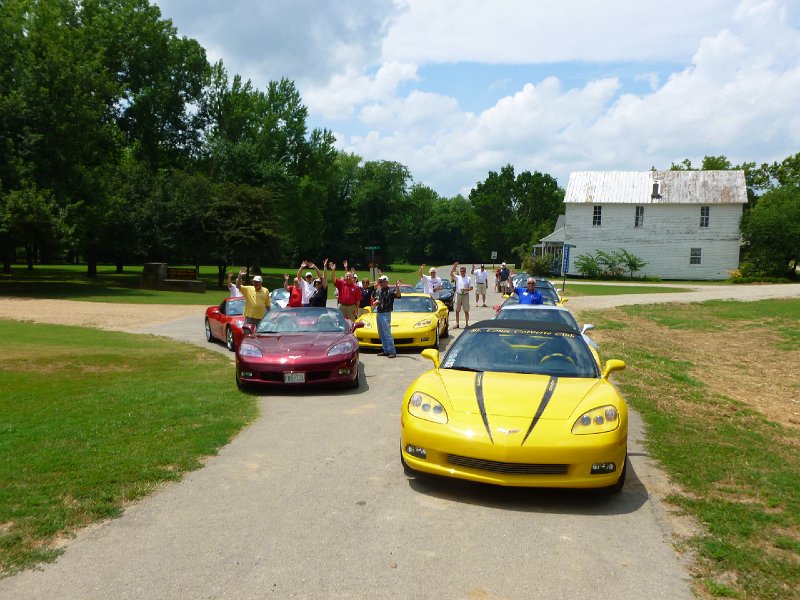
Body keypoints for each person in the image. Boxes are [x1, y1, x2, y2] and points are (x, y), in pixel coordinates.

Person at [371, 274, 402, 357]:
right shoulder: (379, 291)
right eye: (380, 282)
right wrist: (376, 302)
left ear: (386, 282)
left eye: (382, 282)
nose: (380, 283)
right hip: (379, 313)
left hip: (386, 314)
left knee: (387, 333)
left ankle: (392, 351)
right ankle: (386, 350)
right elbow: (376, 299)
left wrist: (397, 287)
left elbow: (398, 296)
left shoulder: (390, 291)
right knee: (381, 334)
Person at [450, 262, 474, 328]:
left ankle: (467, 324)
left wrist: (465, 289)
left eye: (463, 271)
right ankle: (457, 324)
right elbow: (451, 274)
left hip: (465, 295)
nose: (462, 272)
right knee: (457, 310)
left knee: (466, 310)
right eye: (461, 271)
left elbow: (471, 288)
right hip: (458, 295)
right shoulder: (457, 277)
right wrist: (454, 267)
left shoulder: (468, 278)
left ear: (465, 272)